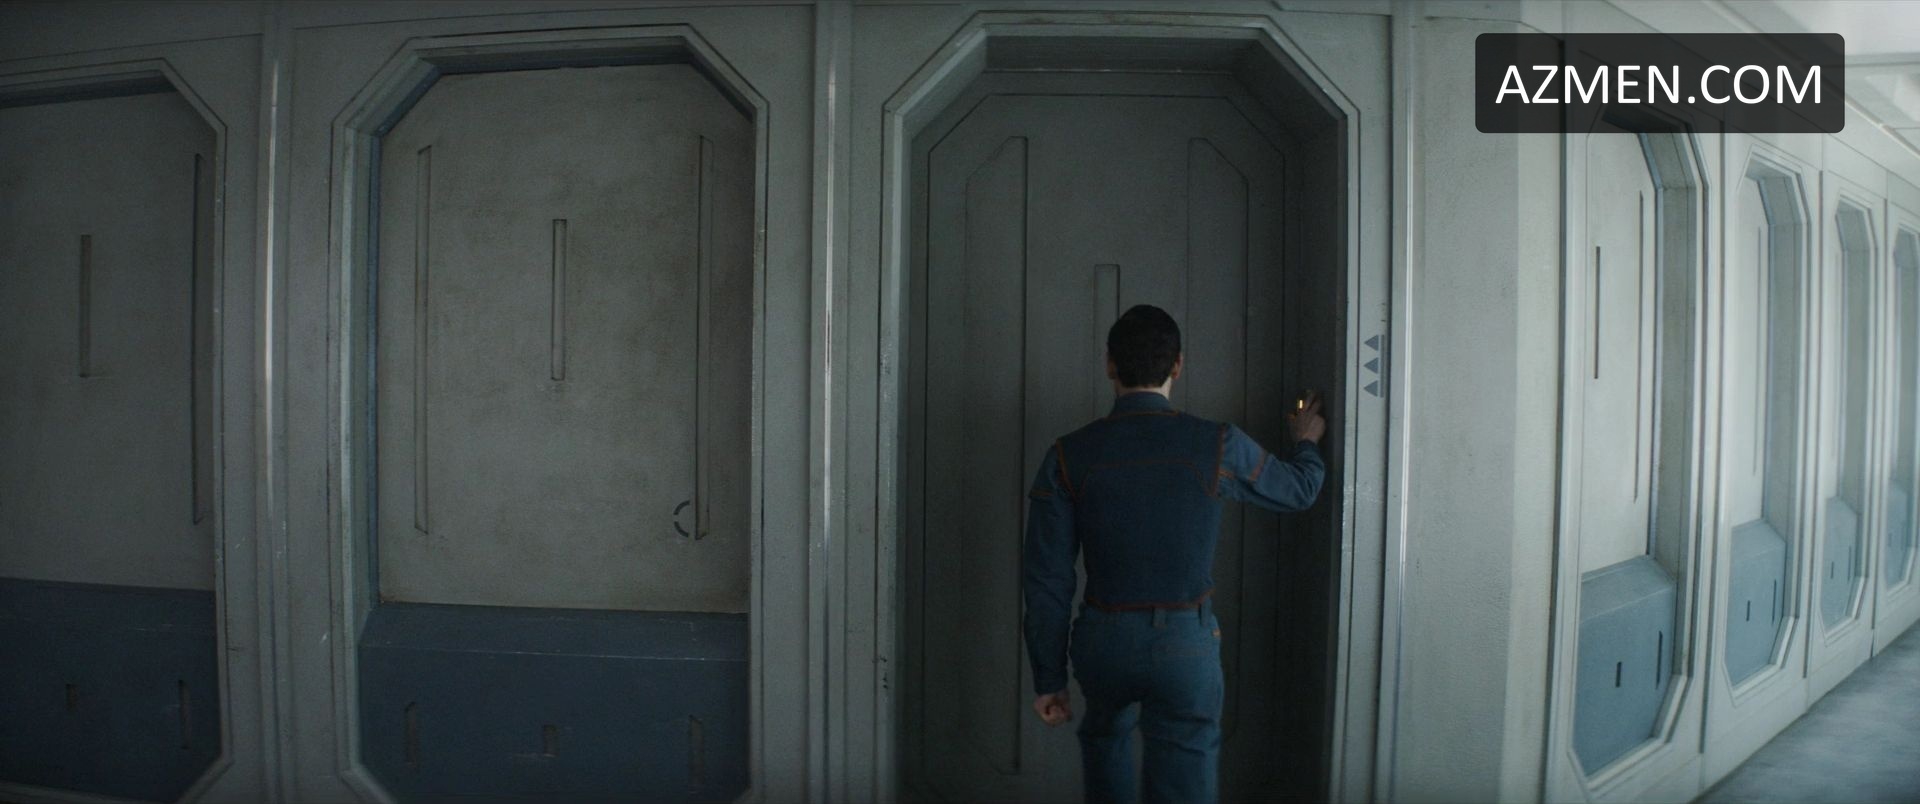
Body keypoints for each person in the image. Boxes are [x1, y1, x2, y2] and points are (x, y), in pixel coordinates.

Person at [1022, 304, 1327, 804]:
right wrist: (1306, 442)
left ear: (1110, 364)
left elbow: (1047, 579)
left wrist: (1049, 678)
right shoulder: (1218, 444)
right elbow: (1299, 491)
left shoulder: (1066, 455)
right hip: (1186, 644)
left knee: (1106, 750)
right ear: (1178, 365)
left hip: (1105, 643)